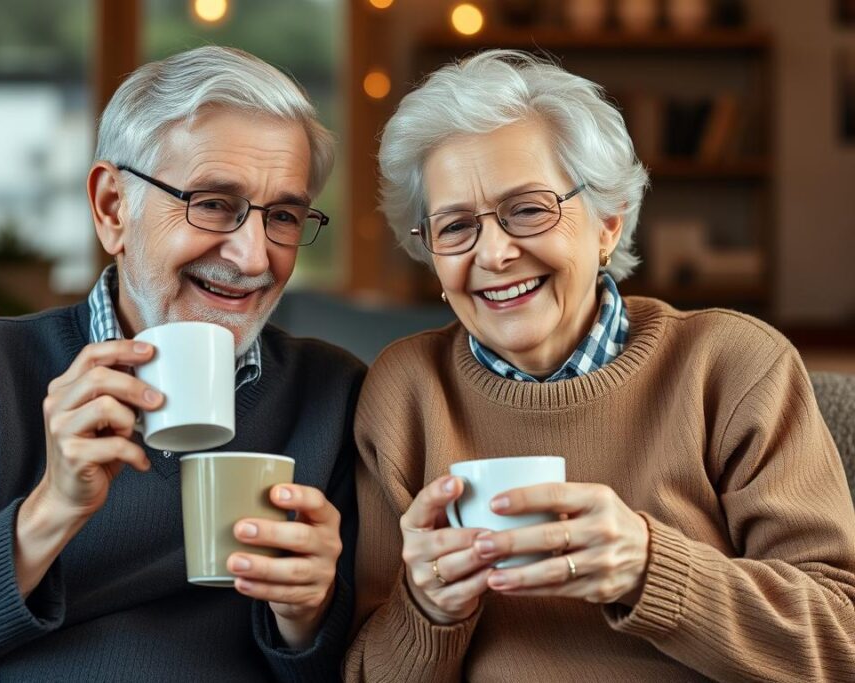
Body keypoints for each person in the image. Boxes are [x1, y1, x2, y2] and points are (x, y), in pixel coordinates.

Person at [0, 46, 364, 681]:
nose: (253, 257)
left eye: (282, 216)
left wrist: (309, 614)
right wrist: (50, 511)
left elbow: (358, 664)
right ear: (113, 206)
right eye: (213, 204)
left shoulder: (333, 396)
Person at [346, 49, 855, 682]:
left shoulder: (732, 366)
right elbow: (364, 671)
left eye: (529, 209)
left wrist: (649, 567)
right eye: (455, 227)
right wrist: (427, 609)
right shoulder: (404, 391)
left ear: (608, 223)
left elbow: (841, 643)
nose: (495, 253)